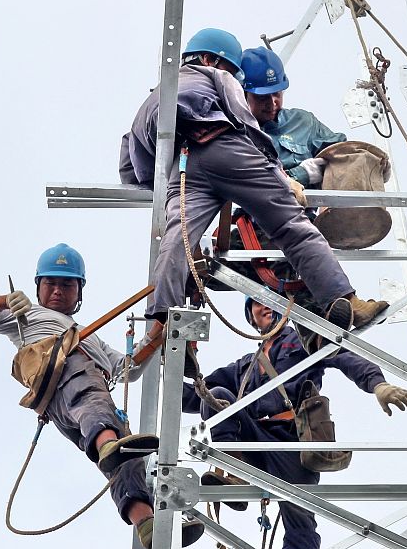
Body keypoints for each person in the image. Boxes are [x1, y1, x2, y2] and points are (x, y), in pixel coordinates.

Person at [118, 27, 387, 330]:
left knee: (177, 240)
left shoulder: (153, 99)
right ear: (209, 59)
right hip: (224, 147)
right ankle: (343, 298)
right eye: (234, 72)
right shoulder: (213, 76)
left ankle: (160, 319)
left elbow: (132, 166)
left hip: (185, 168)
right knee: (291, 226)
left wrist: (163, 184)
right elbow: (245, 124)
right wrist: (282, 177)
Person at [0, 243, 203, 549]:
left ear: (79, 291)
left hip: (78, 411)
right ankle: (108, 444)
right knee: (92, 398)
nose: (58, 290)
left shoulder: (90, 336)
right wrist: (4, 302)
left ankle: (146, 524)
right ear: (38, 287)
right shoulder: (26, 316)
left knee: (127, 464)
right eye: (51, 284)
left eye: (66, 284)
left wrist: (155, 337)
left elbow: (127, 370)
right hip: (65, 379)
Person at [184, 298, 407, 549]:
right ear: (251, 320)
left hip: (294, 438)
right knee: (217, 395)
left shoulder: (301, 340)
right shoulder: (245, 366)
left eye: (267, 302)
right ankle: (235, 472)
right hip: (254, 440)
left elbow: (342, 355)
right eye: (255, 304)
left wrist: (377, 384)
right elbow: (196, 394)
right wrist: (170, 357)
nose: (263, 307)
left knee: (299, 509)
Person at [239, 46, 346, 188]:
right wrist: (301, 175)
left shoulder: (303, 122)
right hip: (253, 209)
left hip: (303, 210)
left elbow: (342, 151)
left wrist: (371, 162)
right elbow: (252, 186)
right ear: (242, 94)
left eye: (277, 93)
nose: (272, 103)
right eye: (262, 97)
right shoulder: (237, 132)